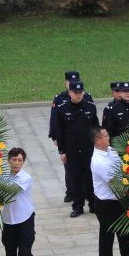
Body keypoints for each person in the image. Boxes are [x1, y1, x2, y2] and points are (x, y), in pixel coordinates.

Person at [90, 127, 129, 256]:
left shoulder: (111, 150)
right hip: (106, 203)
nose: (108, 137)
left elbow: (122, 167)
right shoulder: (98, 161)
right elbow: (117, 183)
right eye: (105, 136)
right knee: (107, 237)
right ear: (97, 141)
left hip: (120, 201)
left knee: (125, 234)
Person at [55, 80, 99, 218]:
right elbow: (59, 132)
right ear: (70, 92)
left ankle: (93, 204)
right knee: (76, 179)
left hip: (88, 150)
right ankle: (78, 206)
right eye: (75, 92)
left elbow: (95, 128)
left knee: (91, 178)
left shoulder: (90, 107)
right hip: (72, 150)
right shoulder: (62, 109)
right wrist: (62, 151)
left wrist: (98, 146)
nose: (78, 95)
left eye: (80, 92)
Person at [49, 70, 93, 204]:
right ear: (65, 83)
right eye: (70, 82)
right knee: (70, 169)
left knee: (87, 170)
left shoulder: (87, 97)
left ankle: (86, 194)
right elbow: (55, 119)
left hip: (85, 142)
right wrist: (55, 136)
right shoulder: (59, 98)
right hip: (69, 141)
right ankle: (71, 192)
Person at [2, 147, 36, 256]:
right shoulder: (3, 176)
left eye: (20, 160)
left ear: (23, 162)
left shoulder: (26, 177)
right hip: (9, 220)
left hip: (25, 219)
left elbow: (11, 190)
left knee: (25, 252)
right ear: (9, 160)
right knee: (10, 251)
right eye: (14, 160)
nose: (17, 163)